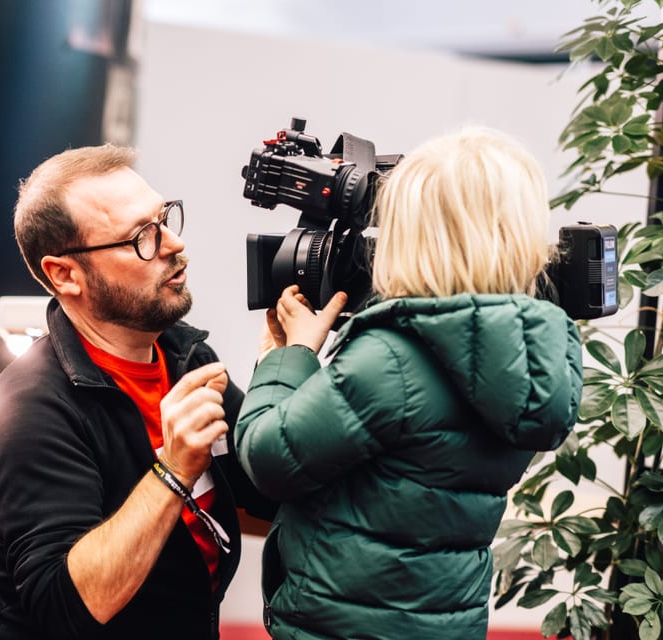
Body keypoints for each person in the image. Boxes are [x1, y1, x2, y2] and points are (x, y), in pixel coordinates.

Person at [234, 127, 584, 640]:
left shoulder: (395, 359)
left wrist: (291, 356)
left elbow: (270, 457)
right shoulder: (532, 350)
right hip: (447, 621)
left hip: (345, 625)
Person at [0, 144, 275, 640]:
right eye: (142, 237)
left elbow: (270, 486)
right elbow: (66, 609)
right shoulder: (30, 409)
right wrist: (173, 472)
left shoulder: (184, 355)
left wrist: (283, 360)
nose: (174, 244)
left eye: (165, 219)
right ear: (65, 275)